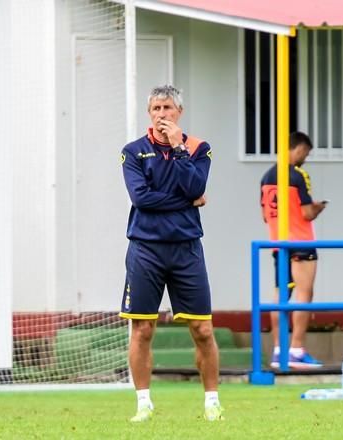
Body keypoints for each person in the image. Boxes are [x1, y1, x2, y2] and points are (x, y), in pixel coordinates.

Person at [119, 85, 223, 422]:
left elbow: (196, 187)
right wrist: (186, 202)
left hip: (186, 248)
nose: (161, 114)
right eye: (156, 109)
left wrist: (178, 148)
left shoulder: (197, 148)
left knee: (203, 330)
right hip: (145, 249)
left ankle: (211, 404)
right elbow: (141, 199)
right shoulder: (133, 151)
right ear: (149, 113)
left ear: (179, 112)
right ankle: (143, 405)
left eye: (167, 108)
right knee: (143, 329)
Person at [260, 131, 327, 369]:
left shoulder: (266, 176)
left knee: (280, 296)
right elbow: (307, 212)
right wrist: (318, 208)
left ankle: (279, 351)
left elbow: (265, 215)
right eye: (305, 153)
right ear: (297, 149)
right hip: (301, 240)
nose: (305, 158)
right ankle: (297, 350)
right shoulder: (298, 175)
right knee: (303, 294)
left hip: (278, 241)